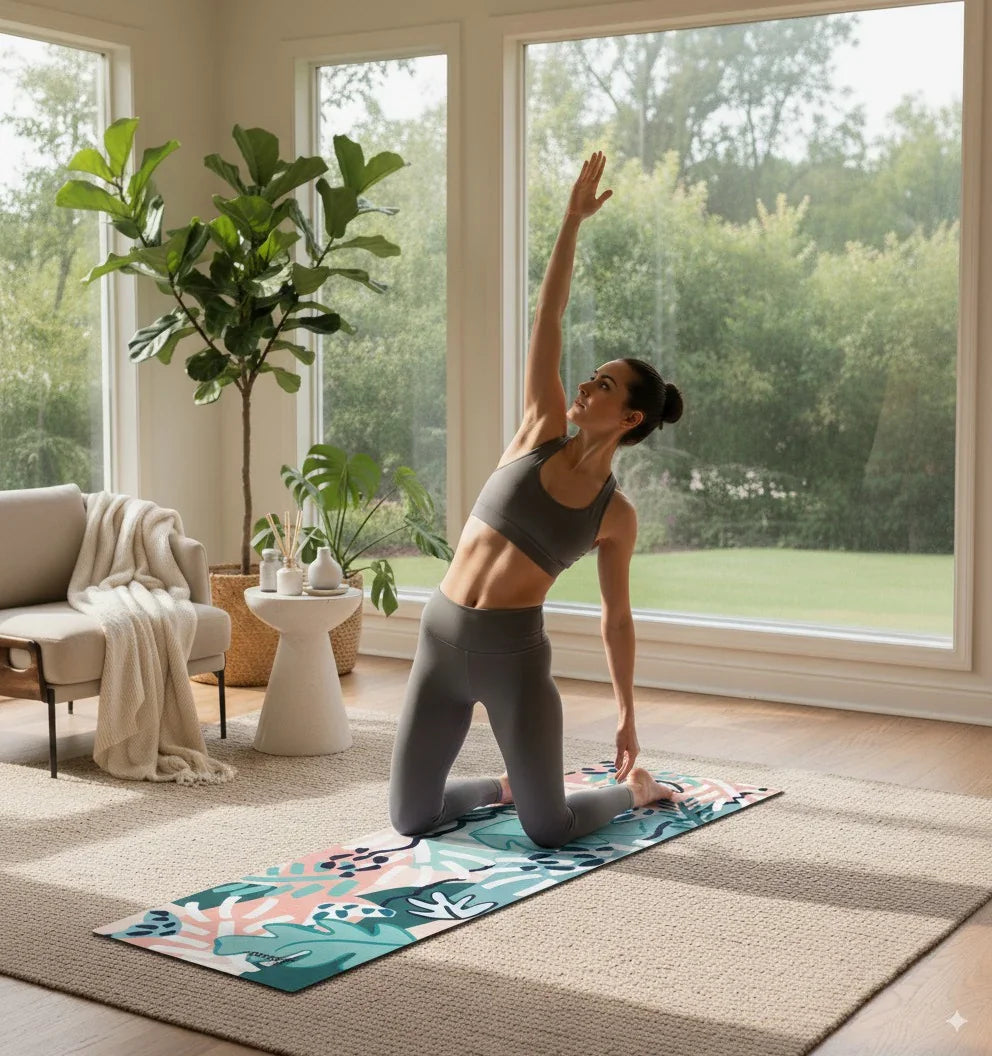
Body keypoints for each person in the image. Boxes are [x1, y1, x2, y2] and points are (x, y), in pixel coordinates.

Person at [388, 150, 684, 849]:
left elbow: (617, 619)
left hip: (513, 660)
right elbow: (549, 314)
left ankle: (635, 792)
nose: (585, 386)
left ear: (630, 418)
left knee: (550, 829)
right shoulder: (539, 429)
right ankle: (504, 786)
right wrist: (571, 222)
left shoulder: (615, 514)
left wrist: (626, 712)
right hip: (439, 637)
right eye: (591, 376)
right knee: (411, 819)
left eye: (603, 386)